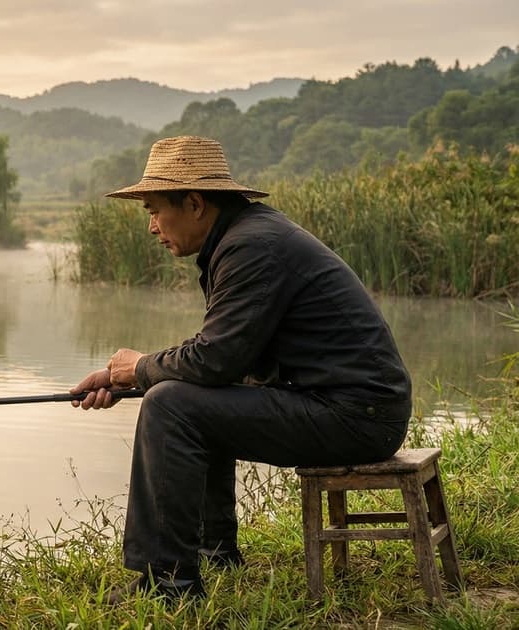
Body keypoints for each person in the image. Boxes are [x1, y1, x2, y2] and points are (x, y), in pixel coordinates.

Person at [71, 135, 411, 602]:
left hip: (356, 416)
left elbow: (213, 360)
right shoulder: (244, 237)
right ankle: (214, 552)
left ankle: (168, 584)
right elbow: (226, 362)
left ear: (193, 203)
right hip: (350, 408)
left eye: (153, 210)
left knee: (172, 406)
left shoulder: (252, 247)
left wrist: (142, 369)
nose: (151, 226)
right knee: (181, 398)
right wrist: (122, 377)